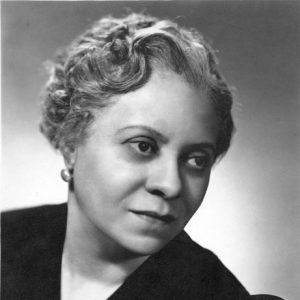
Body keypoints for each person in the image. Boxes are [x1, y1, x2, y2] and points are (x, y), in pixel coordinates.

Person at [1, 13, 283, 300]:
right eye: (143, 146)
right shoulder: (7, 238)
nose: (171, 185)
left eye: (197, 160)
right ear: (71, 143)